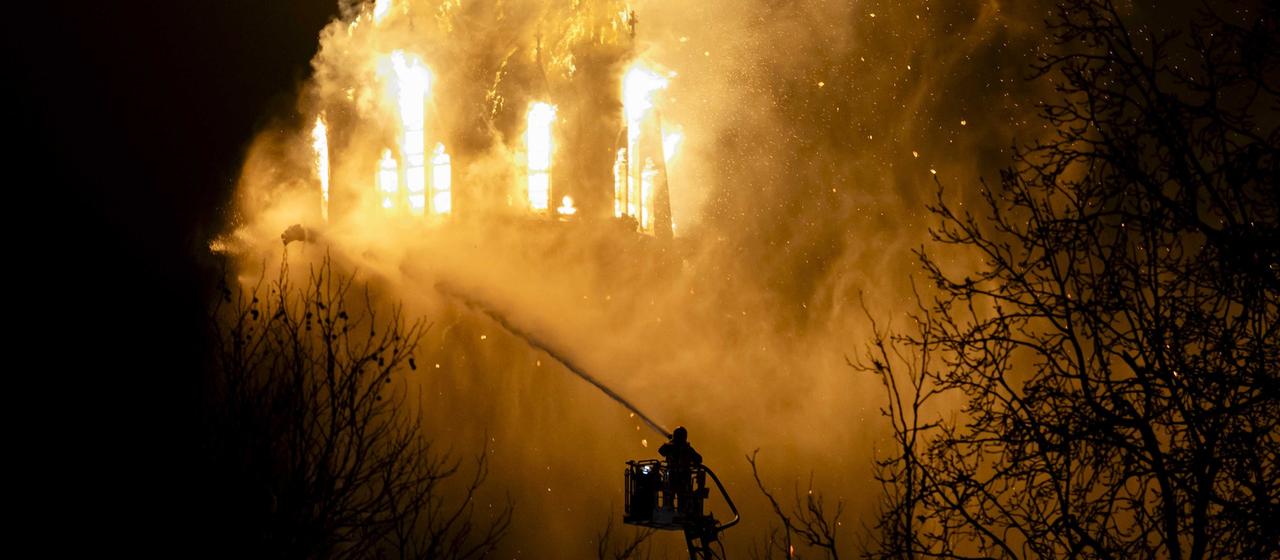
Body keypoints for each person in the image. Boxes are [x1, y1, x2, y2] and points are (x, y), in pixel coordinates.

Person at [659, 427, 703, 514]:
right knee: (682, 499)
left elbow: (661, 451)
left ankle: (668, 512)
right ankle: (681, 513)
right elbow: (699, 459)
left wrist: (670, 442)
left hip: (672, 478)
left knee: (669, 497)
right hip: (684, 479)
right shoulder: (687, 449)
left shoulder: (670, 447)